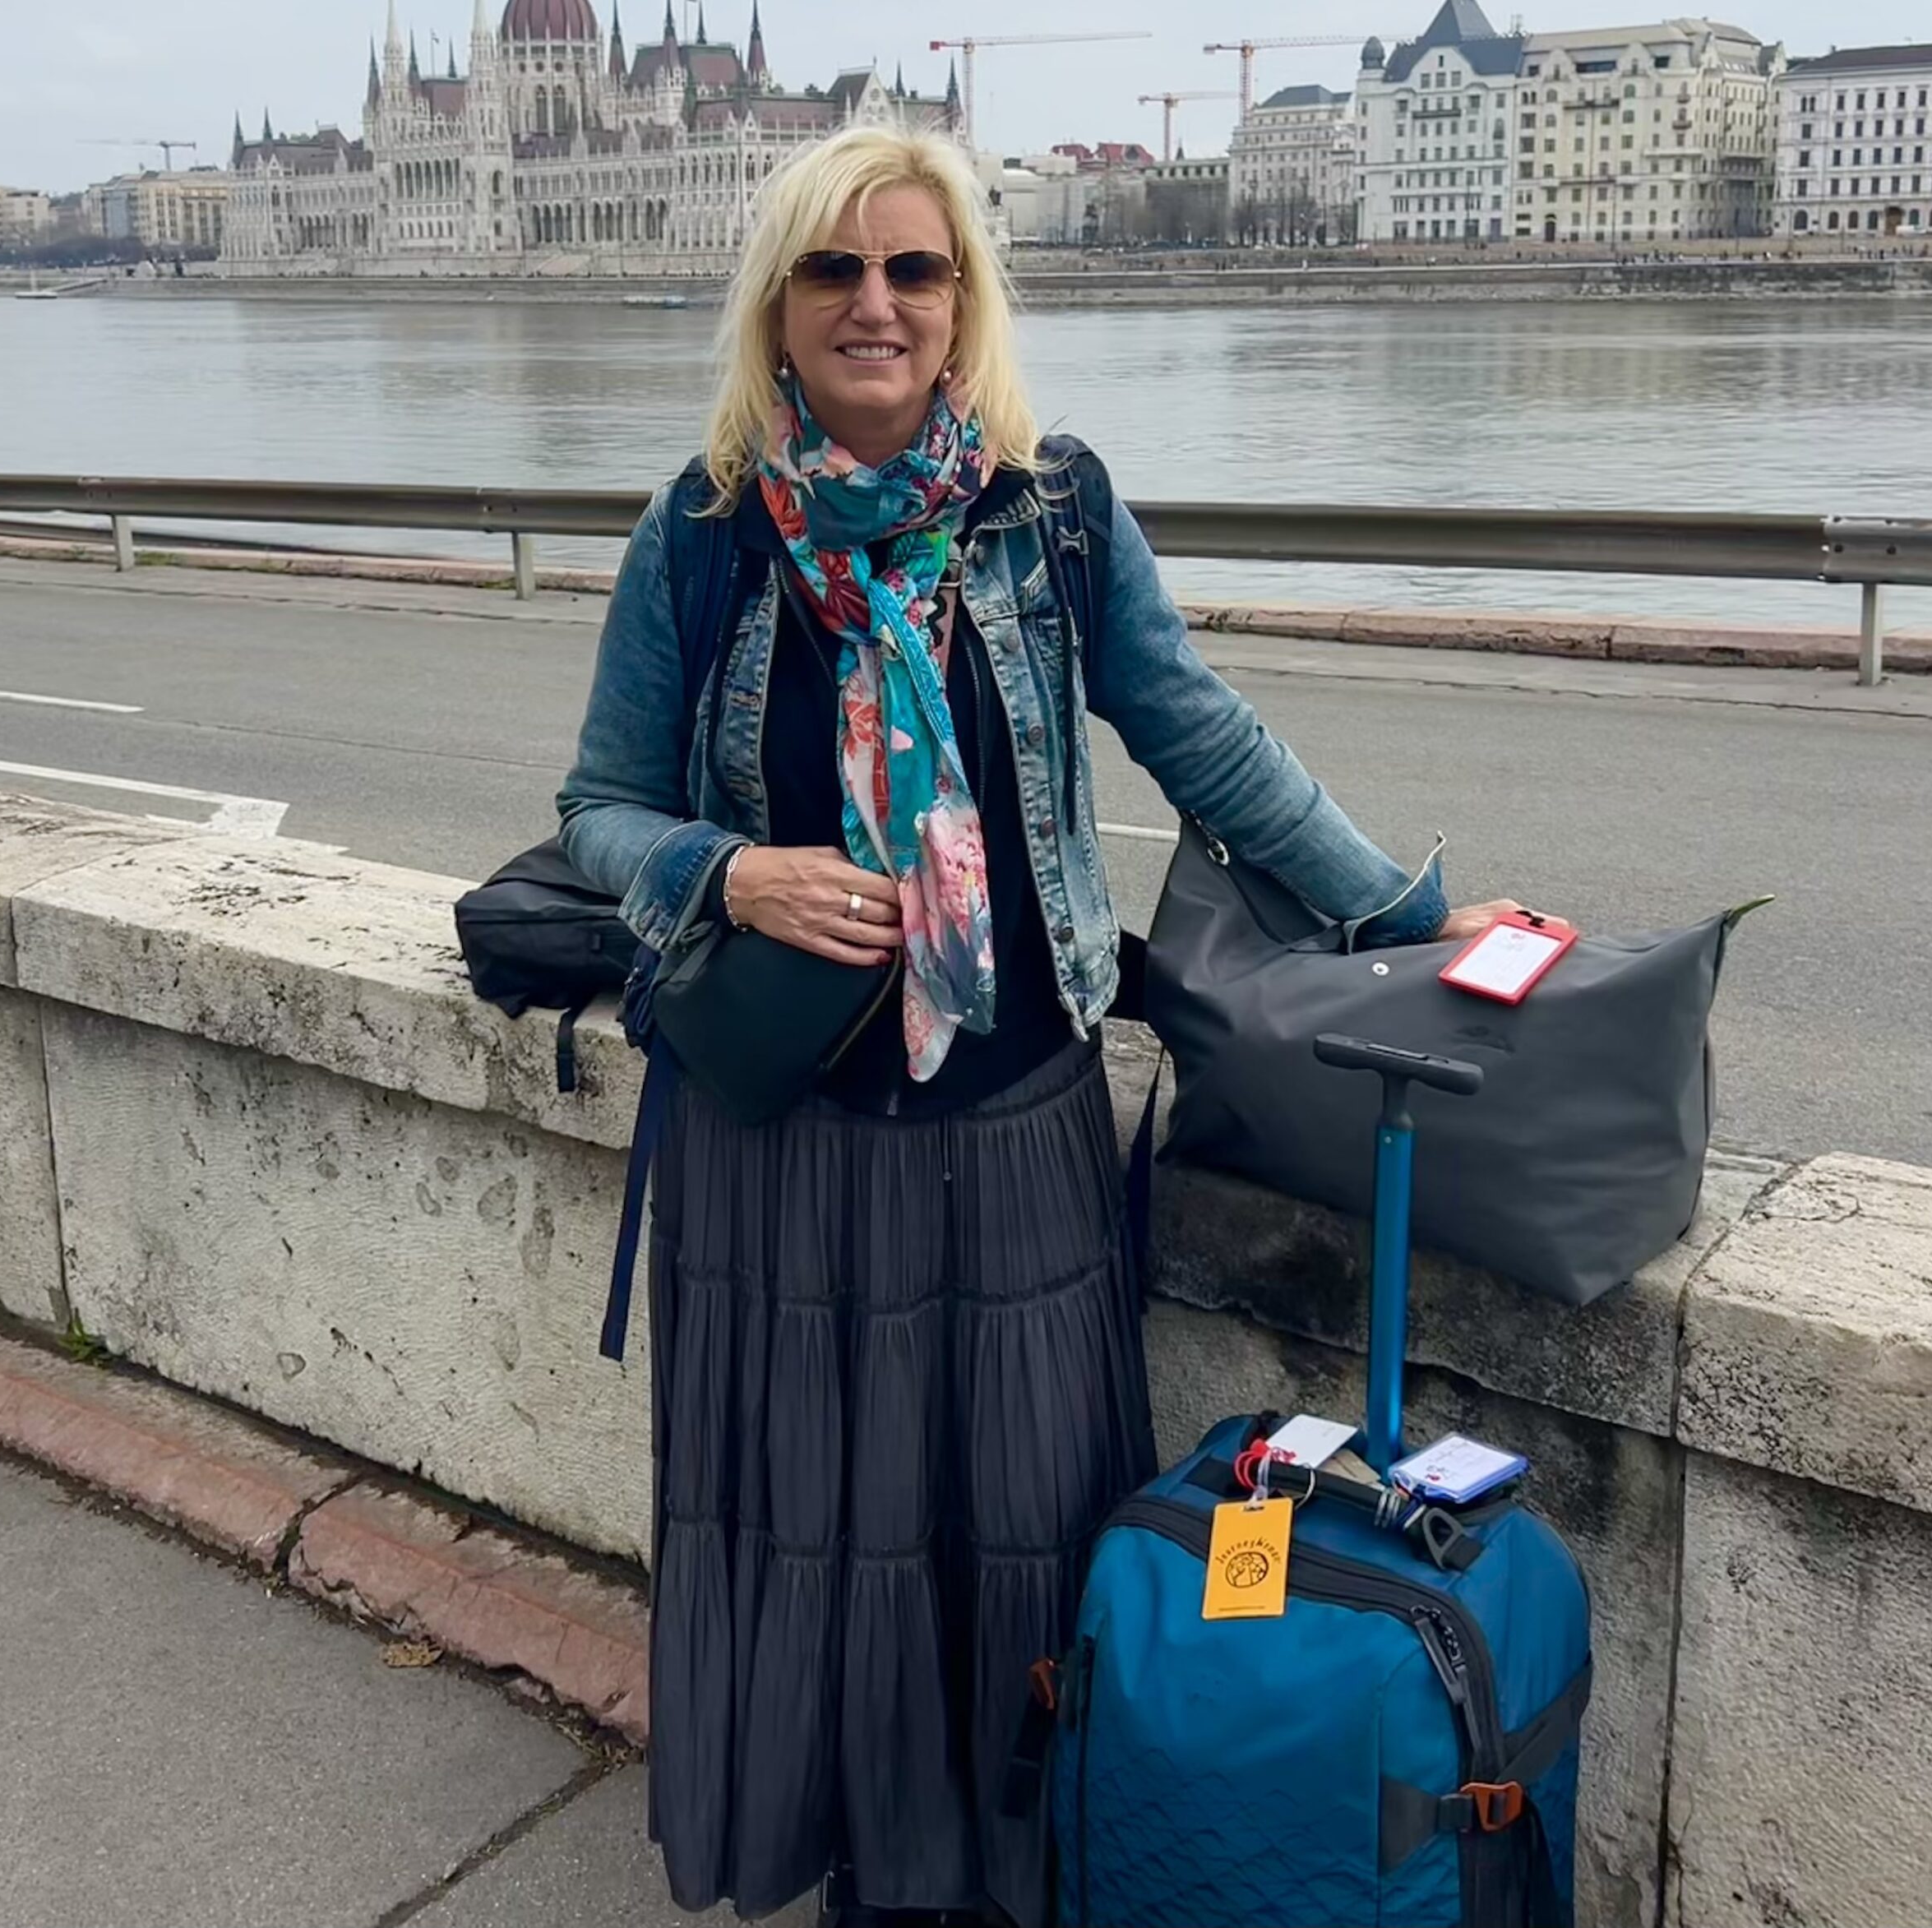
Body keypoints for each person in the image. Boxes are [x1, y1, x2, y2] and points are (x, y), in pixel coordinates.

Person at [557, 124, 1551, 1928]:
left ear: (960, 302)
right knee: (815, 1534)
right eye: (836, 269)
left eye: (913, 270)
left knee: (1010, 1528)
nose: (875, 303)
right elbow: (599, 810)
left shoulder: (1049, 508)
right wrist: (735, 872)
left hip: (1012, 1127)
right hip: (775, 1147)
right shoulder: (703, 531)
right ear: (776, 302)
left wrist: (1402, 908)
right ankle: (860, 1860)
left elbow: (1202, 737)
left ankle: (1010, 1863)